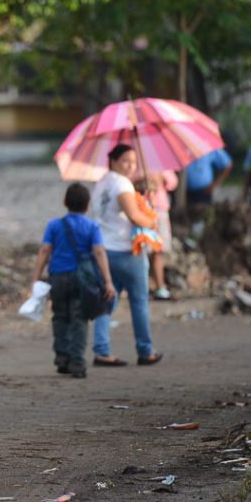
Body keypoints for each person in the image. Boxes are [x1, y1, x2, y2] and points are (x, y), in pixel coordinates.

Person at [30, 183, 115, 379]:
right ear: (87, 205)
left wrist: (35, 279)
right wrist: (108, 281)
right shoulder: (92, 226)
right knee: (79, 319)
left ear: (65, 203)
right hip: (82, 279)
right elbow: (99, 252)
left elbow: (44, 251)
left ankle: (62, 357)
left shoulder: (54, 225)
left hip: (58, 277)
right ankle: (77, 362)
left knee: (60, 316)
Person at [90, 144, 163, 367]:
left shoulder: (101, 183)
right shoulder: (122, 183)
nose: (131, 166)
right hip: (126, 251)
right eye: (125, 161)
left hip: (104, 250)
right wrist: (152, 220)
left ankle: (101, 350)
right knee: (139, 302)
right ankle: (145, 350)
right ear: (112, 160)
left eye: (133, 162)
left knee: (105, 302)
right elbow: (134, 216)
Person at [137, 171, 176, 300]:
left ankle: (160, 285)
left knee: (159, 249)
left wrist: (161, 178)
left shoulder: (162, 166)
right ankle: (143, 286)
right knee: (143, 250)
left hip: (159, 210)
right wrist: (142, 181)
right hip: (142, 210)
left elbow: (173, 182)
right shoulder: (136, 165)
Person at [185, 148, 232, 221]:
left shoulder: (208, 147)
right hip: (185, 193)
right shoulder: (181, 145)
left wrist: (214, 185)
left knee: (203, 219)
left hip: (204, 192)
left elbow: (228, 164)